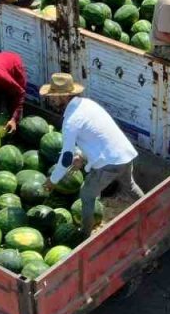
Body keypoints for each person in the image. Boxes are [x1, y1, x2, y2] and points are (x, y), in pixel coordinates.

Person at [39, 73, 143, 234]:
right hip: (123, 154)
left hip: (109, 163)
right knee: (129, 186)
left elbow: (66, 158)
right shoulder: (87, 104)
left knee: (87, 195)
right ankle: (148, 206)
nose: (51, 100)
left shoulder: (71, 121)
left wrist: (53, 180)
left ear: (65, 96)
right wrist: (81, 155)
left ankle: (85, 234)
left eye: (54, 97)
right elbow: (95, 135)